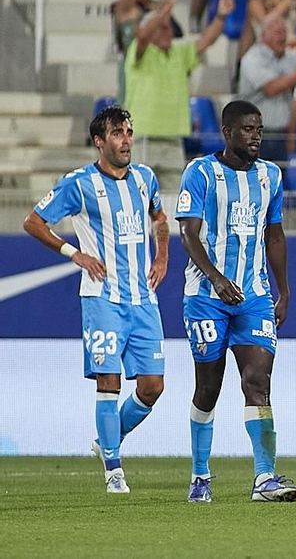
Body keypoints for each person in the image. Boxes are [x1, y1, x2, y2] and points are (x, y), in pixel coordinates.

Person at [22, 106, 167, 496]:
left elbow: (160, 218)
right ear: (99, 141)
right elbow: (33, 222)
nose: (126, 140)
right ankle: (114, 471)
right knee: (109, 381)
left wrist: (162, 255)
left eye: (129, 132)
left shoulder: (145, 178)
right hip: (102, 297)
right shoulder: (79, 184)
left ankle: (107, 441)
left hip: (143, 298)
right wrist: (75, 254)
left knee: (153, 385)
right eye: (117, 133)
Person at [175, 100, 296, 503]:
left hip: (254, 297)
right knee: (208, 388)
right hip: (207, 297)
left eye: (259, 129)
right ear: (226, 133)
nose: (256, 136)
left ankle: (264, 479)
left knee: (257, 382)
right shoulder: (201, 172)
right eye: (247, 129)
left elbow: (274, 236)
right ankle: (199, 475)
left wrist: (283, 291)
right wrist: (216, 278)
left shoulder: (270, 177)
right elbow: (189, 234)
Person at [125, 0, 232, 189]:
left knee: (174, 199)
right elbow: (142, 35)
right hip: (143, 137)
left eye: (169, 28)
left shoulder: (179, 54)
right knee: (140, 197)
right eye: (162, 27)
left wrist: (221, 16)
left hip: (174, 138)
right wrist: (164, 10)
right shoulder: (138, 52)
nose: (169, 32)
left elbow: (206, 40)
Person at [236, 17, 296, 164]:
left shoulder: (291, 58)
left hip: (281, 134)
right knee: (253, 181)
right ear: (264, 36)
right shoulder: (252, 59)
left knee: (277, 182)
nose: (282, 37)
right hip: (254, 134)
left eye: (284, 32)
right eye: (277, 32)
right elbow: (271, 88)